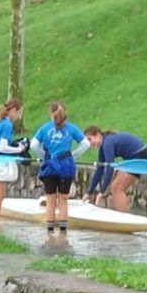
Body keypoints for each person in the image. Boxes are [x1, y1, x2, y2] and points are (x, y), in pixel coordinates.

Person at [31, 100, 89, 240]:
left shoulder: (45, 128)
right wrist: (72, 156)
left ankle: (49, 232)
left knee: (50, 199)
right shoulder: (71, 128)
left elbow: (34, 145)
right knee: (63, 198)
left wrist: (45, 157)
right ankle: (63, 233)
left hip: (50, 166)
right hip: (66, 166)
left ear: (51, 115)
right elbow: (85, 144)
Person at [82, 126, 147, 212]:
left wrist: (101, 192)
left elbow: (109, 168)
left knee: (117, 188)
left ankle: (123, 218)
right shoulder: (104, 147)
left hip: (140, 155)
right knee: (115, 187)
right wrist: (89, 192)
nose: (89, 144)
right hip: (134, 157)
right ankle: (122, 216)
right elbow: (99, 170)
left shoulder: (107, 143)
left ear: (97, 135)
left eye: (90, 139)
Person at [0, 97, 26, 231]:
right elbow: (3, 147)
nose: (19, 117)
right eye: (19, 113)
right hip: (0, 162)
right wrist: (19, 149)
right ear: (14, 111)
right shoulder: (7, 125)